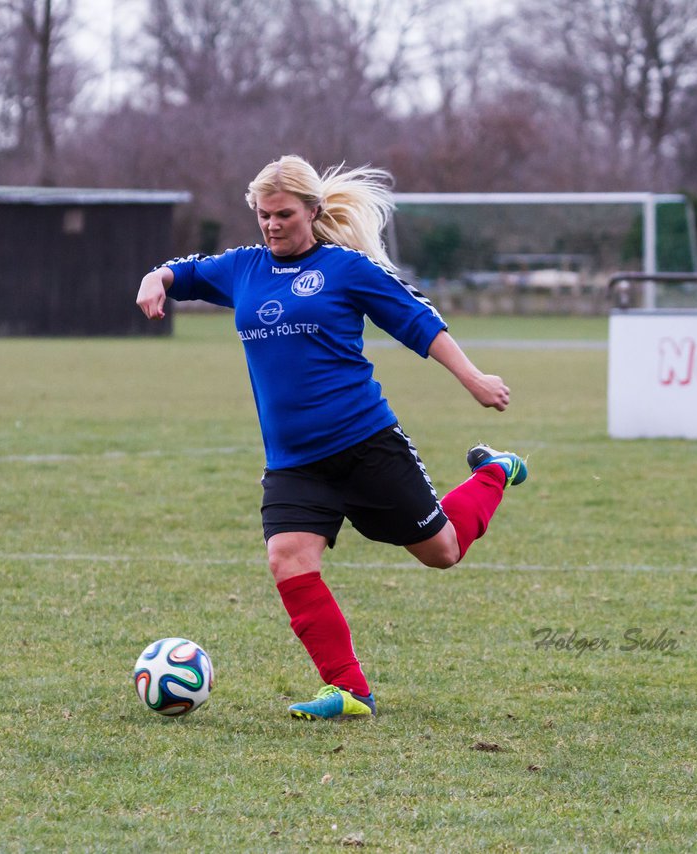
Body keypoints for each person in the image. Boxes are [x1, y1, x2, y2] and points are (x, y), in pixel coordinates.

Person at [135, 154, 527, 721]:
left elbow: (417, 321)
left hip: (365, 444)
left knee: (442, 552)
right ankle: (349, 691)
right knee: (288, 559)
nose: (271, 225)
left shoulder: (347, 269)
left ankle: (493, 471)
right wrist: (156, 279)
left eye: (284, 215)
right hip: (294, 462)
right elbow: (185, 272)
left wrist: (473, 378)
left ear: (313, 212)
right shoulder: (244, 268)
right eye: (263, 215)